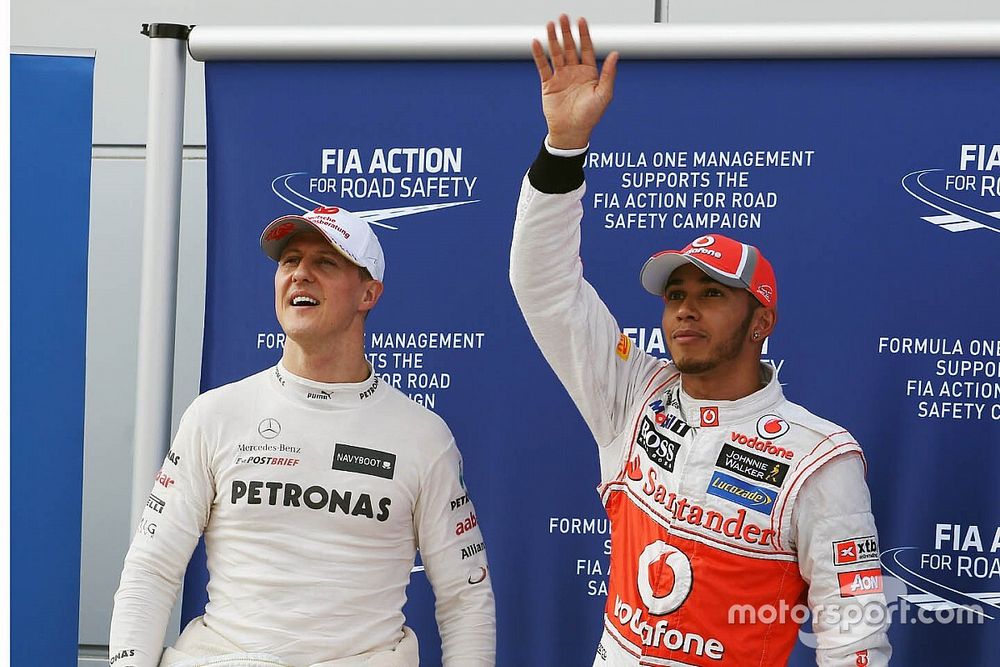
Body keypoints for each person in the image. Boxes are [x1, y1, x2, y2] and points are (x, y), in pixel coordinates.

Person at [509, 15, 891, 667]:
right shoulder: (631, 393)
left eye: (712, 294)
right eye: (677, 295)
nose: (686, 311)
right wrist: (564, 145)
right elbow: (542, 285)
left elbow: (854, 638)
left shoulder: (819, 459)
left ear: (761, 321)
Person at [111, 205, 495, 667]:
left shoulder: (422, 436)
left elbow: (465, 598)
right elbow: (151, 569)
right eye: (289, 261)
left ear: (369, 293)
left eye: (325, 263)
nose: (300, 275)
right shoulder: (215, 415)